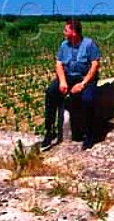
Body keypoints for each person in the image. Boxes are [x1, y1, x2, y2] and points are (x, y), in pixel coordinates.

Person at [41, 18, 101, 151]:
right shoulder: (64, 45)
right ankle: (49, 132)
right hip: (68, 77)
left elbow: (95, 65)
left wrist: (83, 84)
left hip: (86, 78)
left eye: (65, 30)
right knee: (50, 93)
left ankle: (89, 134)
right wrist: (62, 81)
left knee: (87, 100)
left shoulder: (89, 44)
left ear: (74, 32)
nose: (63, 32)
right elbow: (59, 64)